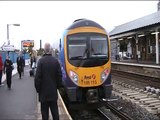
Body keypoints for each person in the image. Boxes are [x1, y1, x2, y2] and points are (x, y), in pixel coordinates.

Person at [34, 43, 63, 120]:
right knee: (55, 113)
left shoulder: (40, 62)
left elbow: (37, 78)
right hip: (53, 92)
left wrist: (38, 89)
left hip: (43, 94)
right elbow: (59, 76)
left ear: (44, 50)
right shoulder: (56, 61)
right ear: (50, 50)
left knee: (44, 114)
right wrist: (58, 87)